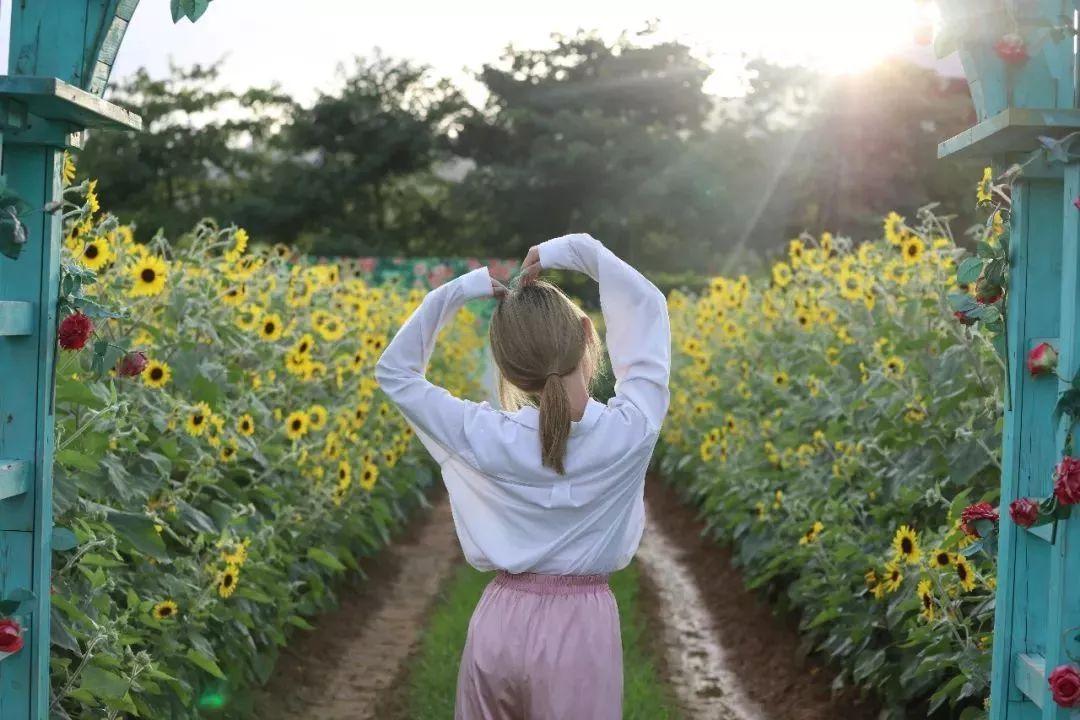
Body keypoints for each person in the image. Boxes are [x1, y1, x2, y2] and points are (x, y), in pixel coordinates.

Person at [375, 233, 671, 719]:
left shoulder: (483, 434)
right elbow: (646, 307)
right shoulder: (630, 430)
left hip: (498, 622)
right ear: (585, 332)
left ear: (508, 366)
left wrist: (458, 291)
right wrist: (570, 252)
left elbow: (397, 374)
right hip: (582, 629)